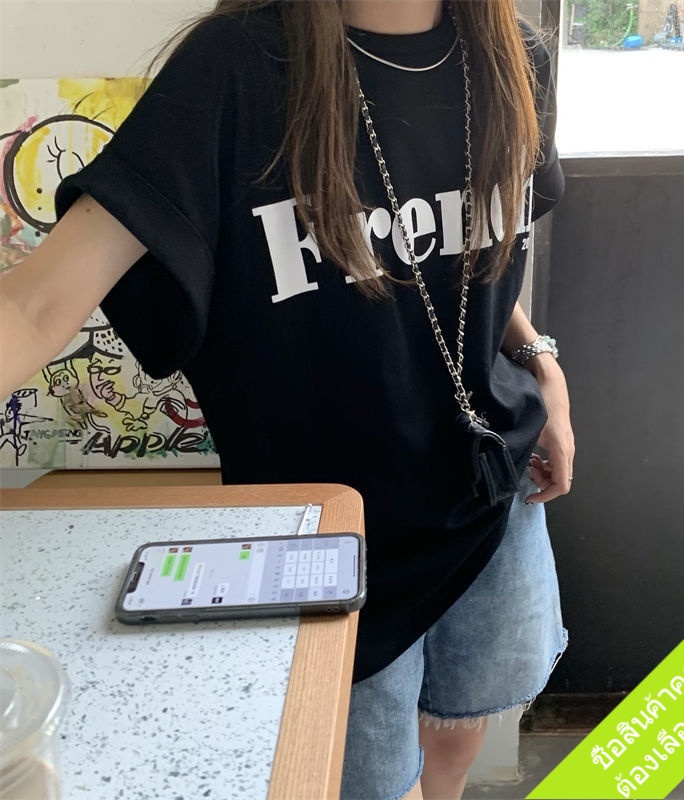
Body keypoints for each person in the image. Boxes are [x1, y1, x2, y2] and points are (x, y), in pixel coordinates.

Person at [0, 1, 575, 798]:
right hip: (325, 545)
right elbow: (33, 306)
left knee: (456, 729)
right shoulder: (235, 69)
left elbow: (459, 251)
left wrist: (539, 361)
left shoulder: (515, 59)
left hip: (490, 493)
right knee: (371, 782)